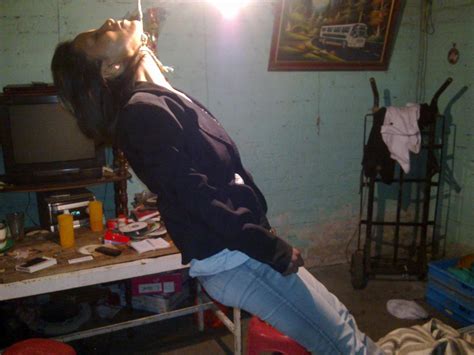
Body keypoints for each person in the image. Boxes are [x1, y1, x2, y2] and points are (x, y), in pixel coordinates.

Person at [51, 18, 383, 354]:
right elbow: (201, 199)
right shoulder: (139, 116)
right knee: (341, 345)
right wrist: (272, 250)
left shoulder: (160, 96)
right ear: (110, 67)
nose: (107, 23)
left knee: (340, 320)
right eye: (96, 36)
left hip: (243, 245)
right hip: (235, 258)